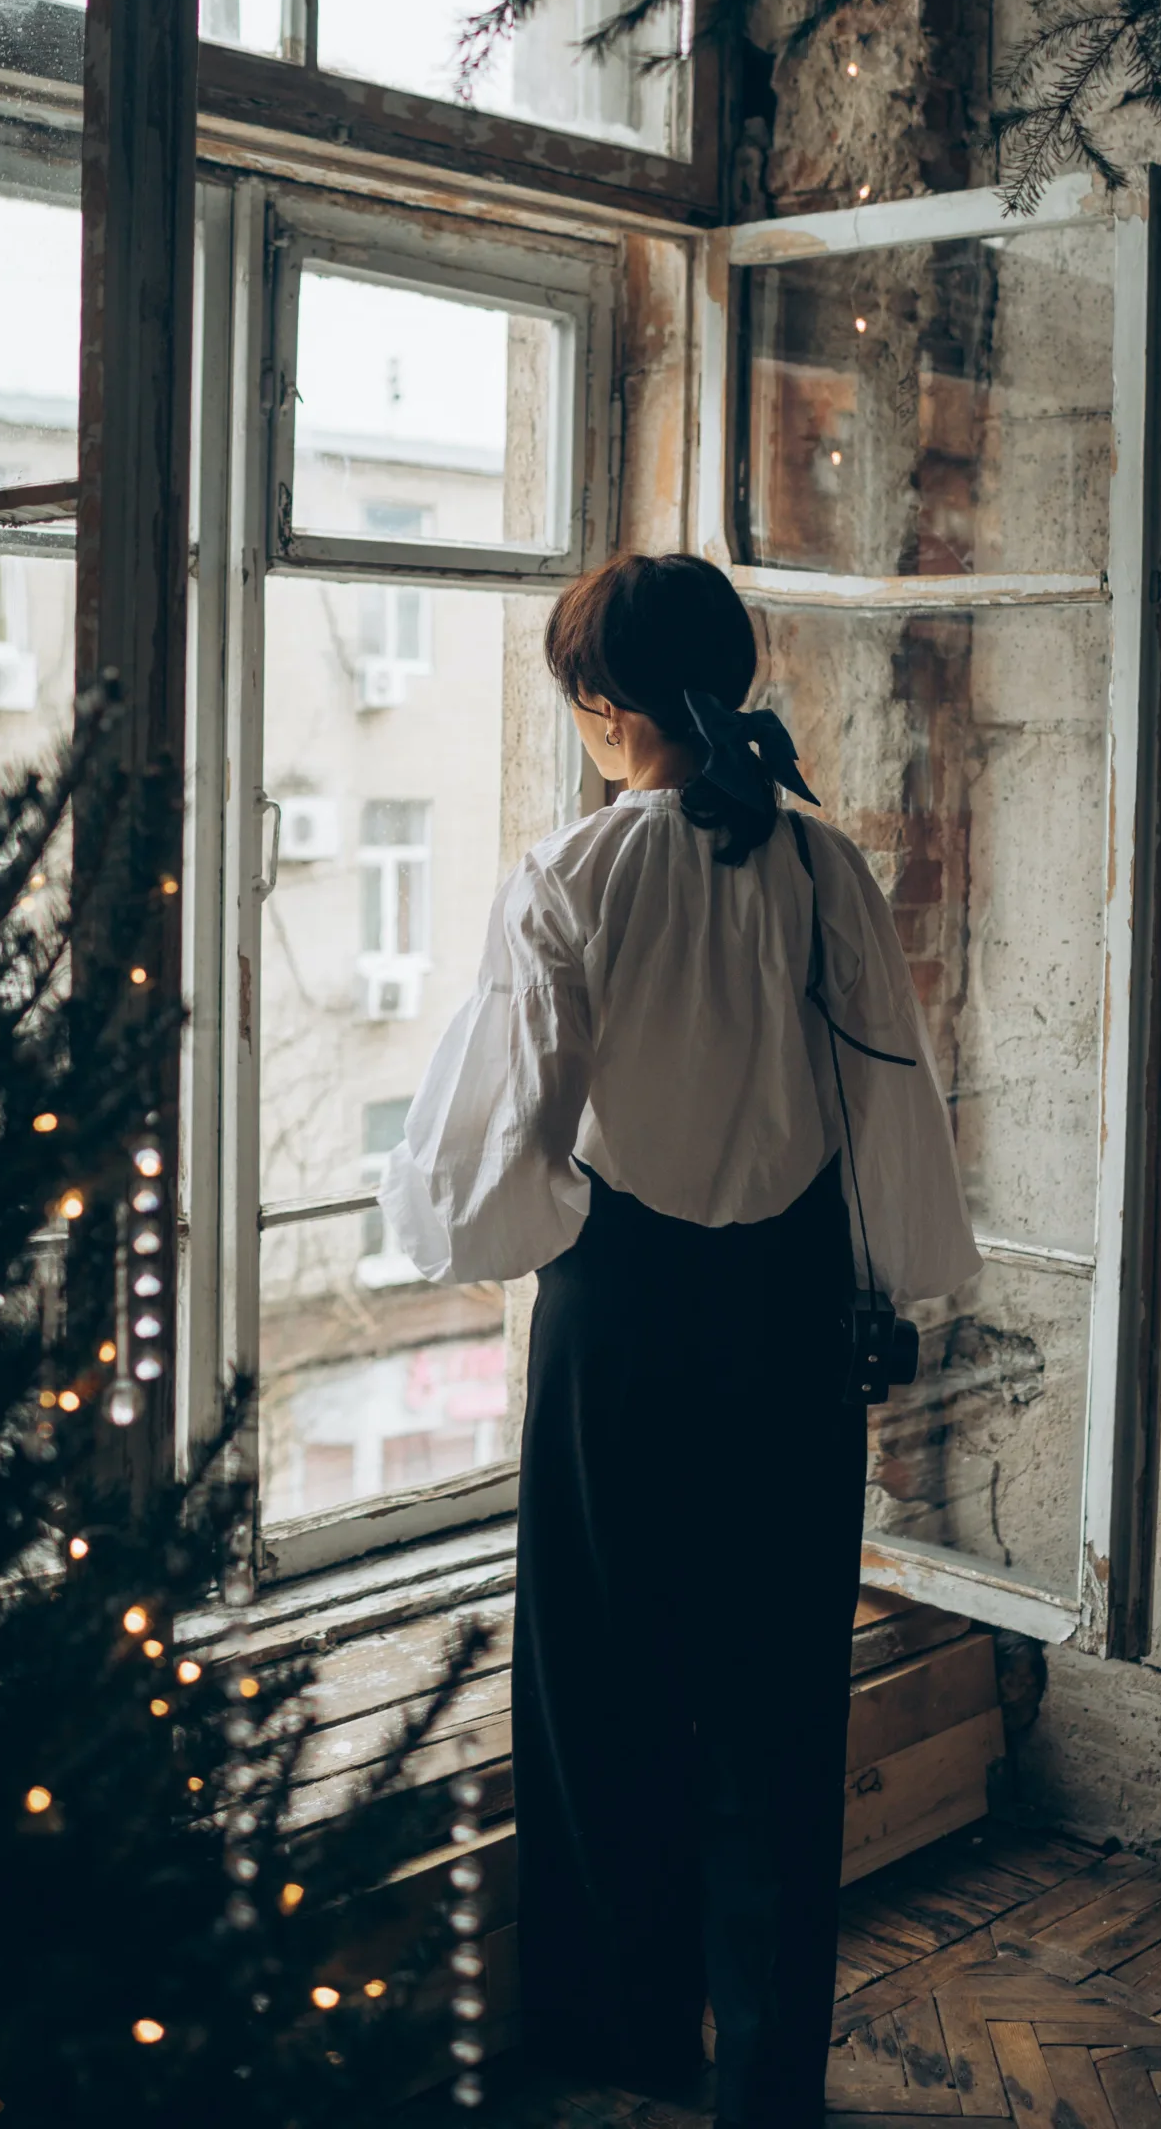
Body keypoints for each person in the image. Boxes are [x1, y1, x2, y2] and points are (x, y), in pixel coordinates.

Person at [380, 552, 979, 2129]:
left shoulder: (569, 875)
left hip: (619, 1315)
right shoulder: (817, 867)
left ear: (600, 704)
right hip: (784, 1325)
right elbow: (882, 1109)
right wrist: (884, 1281)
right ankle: (767, 2075)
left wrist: (526, 1238)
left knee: (597, 1689)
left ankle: (620, 2041)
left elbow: (490, 1165)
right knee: (778, 1698)